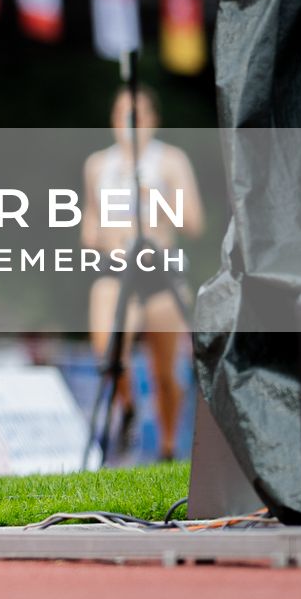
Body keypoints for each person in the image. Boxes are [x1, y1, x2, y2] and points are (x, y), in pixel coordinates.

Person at [81, 86, 202, 462]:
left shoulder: (170, 161)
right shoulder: (98, 165)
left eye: (137, 116)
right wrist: (107, 234)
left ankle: (167, 448)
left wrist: (154, 198)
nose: (129, 124)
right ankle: (128, 408)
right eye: (122, 115)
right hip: (116, 270)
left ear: (153, 120)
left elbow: (193, 222)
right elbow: (88, 229)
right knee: (108, 352)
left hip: (159, 271)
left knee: (164, 372)